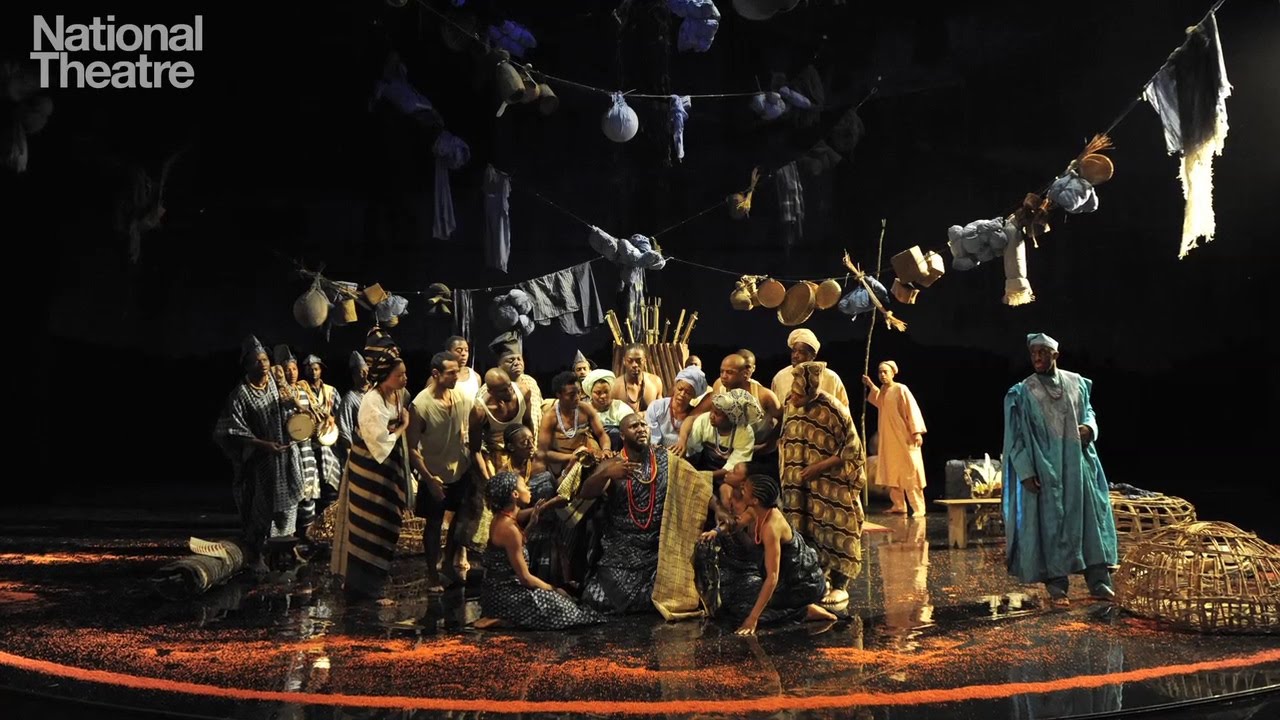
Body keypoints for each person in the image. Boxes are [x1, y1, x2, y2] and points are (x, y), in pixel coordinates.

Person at [1003, 333, 1118, 606]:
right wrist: (1025, 471)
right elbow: (1014, 437)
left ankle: (1099, 582)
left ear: (1055, 354)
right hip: (1045, 466)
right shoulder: (1023, 391)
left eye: (1042, 352)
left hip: (1078, 465)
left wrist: (1089, 428)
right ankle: (1057, 587)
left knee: (1090, 522)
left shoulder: (1076, 382)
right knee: (1051, 525)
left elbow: (1089, 411)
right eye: (1033, 353)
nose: (1037, 358)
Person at [578, 414, 711, 616]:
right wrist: (606, 474)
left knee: (680, 593)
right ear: (622, 435)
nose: (641, 429)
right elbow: (586, 492)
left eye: (643, 425)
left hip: (658, 549)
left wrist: (719, 509)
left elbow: (697, 484)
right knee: (596, 599)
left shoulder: (666, 459)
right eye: (634, 426)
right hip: (622, 550)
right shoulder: (612, 463)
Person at [330, 329, 413, 602]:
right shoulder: (371, 400)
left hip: (388, 469)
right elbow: (379, 443)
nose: (405, 379)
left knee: (386, 525)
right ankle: (363, 589)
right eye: (399, 375)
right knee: (367, 527)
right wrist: (403, 426)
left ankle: (374, 585)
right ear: (385, 375)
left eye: (405, 374)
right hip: (369, 471)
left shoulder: (398, 395)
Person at [778, 361, 867, 607]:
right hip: (799, 485)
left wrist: (819, 467)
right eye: (793, 393)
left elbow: (853, 449)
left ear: (811, 390)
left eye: (799, 394)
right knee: (803, 530)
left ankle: (840, 585)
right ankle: (818, 580)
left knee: (836, 530)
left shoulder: (833, 408)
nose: (794, 398)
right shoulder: (790, 404)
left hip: (831, 484)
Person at [701, 474, 835, 634]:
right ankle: (797, 608)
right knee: (733, 604)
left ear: (755, 500)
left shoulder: (771, 528)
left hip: (802, 584)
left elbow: (772, 577)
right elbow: (736, 523)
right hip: (785, 580)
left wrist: (752, 619)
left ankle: (804, 611)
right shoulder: (756, 510)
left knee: (745, 613)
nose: (742, 489)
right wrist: (715, 531)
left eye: (746, 489)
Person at [476, 471, 605, 630]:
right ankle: (504, 618)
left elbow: (515, 545)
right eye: (524, 485)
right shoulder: (508, 528)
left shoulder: (502, 519)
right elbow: (525, 578)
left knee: (565, 603)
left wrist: (531, 524)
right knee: (568, 611)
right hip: (505, 595)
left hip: (496, 593)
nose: (528, 488)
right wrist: (555, 590)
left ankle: (505, 618)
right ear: (515, 494)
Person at [213, 336, 295, 573]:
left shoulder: (275, 384)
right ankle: (257, 554)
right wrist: (263, 445)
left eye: (265, 359)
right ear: (247, 365)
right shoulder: (240, 395)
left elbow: (289, 408)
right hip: (259, 461)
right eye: (258, 361)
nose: (264, 364)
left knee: (287, 506)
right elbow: (232, 431)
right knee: (260, 508)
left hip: (283, 456)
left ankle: (281, 552)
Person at [408, 350, 475, 592]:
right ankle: (431, 574)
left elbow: (475, 421)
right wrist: (428, 479)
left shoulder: (460, 397)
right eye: (451, 373)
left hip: (460, 468)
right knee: (434, 523)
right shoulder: (420, 405)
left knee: (461, 518)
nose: (456, 377)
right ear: (436, 374)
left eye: (458, 372)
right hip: (434, 472)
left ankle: (448, 563)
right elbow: (412, 448)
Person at [862, 360, 928, 516]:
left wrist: (916, 432)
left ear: (893, 373)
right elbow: (879, 402)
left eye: (885, 372)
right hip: (889, 439)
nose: (882, 375)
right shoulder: (883, 390)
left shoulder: (901, 389)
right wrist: (870, 385)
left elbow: (912, 410)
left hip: (904, 438)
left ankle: (918, 508)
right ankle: (899, 505)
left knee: (910, 472)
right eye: (880, 372)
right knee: (892, 472)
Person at [298, 354, 343, 524]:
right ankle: (309, 526)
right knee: (309, 487)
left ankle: (328, 525)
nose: (313, 372)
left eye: (316, 369)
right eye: (310, 369)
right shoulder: (300, 390)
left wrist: (332, 419)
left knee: (329, 485)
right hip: (308, 446)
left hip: (328, 446)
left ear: (321, 370)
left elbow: (340, 415)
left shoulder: (331, 391)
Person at [539, 371, 609, 477]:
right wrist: (572, 457)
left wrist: (606, 449)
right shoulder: (550, 417)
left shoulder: (586, 409)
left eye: (579, 392)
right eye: (571, 395)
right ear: (559, 395)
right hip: (563, 464)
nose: (577, 398)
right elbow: (543, 452)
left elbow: (601, 434)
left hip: (589, 459)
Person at [684, 389, 761, 485]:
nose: (711, 416)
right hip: (700, 468)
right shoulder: (704, 421)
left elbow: (734, 467)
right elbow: (691, 450)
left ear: (731, 418)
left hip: (726, 478)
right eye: (711, 411)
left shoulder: (745, 433)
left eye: (717, 414)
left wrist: (705, 476)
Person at [769, 329, 849, 409]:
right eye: (794, 351)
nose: (795, 355)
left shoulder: (831, 378)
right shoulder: (780, 377)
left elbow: (844, 410)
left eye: (801, 352)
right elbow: (773, 411)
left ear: (813, 355)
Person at [647, 365, 707, 449]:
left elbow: (695, 447)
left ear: (694, 396)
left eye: (688, 393)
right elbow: (653, 439)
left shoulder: (694, 418)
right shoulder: (656, 407)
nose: (682, 394)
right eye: (680, 389)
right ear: (675, 387)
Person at [335, 351, 369, 468]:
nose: (365, 374)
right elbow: (344, 429)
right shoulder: (349, 399)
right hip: (361, 449)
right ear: (354, 376)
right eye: (361, 372)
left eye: (367, 371)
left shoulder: (376, 392)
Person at [583, 368, 632, 450]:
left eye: (606, 392)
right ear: (591, 393)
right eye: (598, 393)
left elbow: (631, 426)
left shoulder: (619, 406)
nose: (603, 396)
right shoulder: (585, 411)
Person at [611, 343, 664, 413]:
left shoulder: (655, 382)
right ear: (624, 361)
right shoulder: (615, 386)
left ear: (645, 361)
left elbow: (661, 411)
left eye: (639, 361)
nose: (635, 365)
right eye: (630, 361)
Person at [445, 336, 481, 401]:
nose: (464, 354)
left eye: (466, 350)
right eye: (459, 350)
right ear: (448, 353)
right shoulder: (440, 377)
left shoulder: (475, 377)